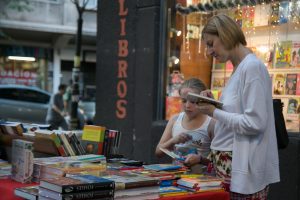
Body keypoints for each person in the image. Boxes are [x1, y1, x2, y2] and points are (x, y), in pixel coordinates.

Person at [196, 14, 280, 198]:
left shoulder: (251, 67)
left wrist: (214, 111)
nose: (209, 51)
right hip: (230, 167)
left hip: (241, 170)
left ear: (225, 34)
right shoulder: (240, 68)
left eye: (211, 43)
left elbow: (255, 123)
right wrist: (214, 105)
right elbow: (238, 114)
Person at [155, 78, 215, 173]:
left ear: (203, 100)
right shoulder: (175, 120)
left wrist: (200, 159)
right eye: (183, 101)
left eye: (193, 101)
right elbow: (158, 152)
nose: (187, 105)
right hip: (177, 180)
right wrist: (173, 141)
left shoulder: (211, 123)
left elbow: (219, 160)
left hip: (202, 183)